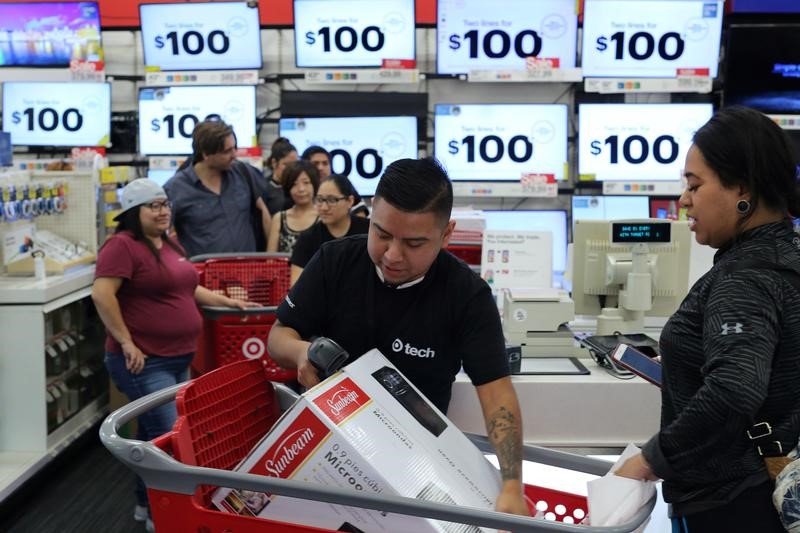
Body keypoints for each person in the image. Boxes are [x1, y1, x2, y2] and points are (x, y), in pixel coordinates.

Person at [268, 158, 530, 516]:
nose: (392, 255)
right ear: (372, 213)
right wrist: (302, 352)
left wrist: (512, 485)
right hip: (324, 452)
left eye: (413, 243)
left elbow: (497, 392)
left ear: (446, 234)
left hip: (417, 470)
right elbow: (279, 336)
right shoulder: (335, 261)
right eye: (382, 234)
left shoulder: (467, 296)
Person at [615, 106, 800, 532]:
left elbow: (734, 390)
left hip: (732, 502)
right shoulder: (786, 255)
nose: (683, 199)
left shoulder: (746, 279)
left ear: (742, 188)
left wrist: (650, 461)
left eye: (694, 185)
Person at [92, 179, 257, 529]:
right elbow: (102, 295)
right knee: (169, 440)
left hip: (178, 359)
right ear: (134, 212)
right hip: (145, 360)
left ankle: (144, 505)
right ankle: (160, 516)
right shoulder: (122, 246)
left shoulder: (168, 242)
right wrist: (126, 342)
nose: (163, 210)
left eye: (165, 204)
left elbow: (189, 286)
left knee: (157, 437)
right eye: (153, 205)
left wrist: (227, 302)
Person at [164, 120, 270, 257]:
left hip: (248, 272)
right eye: (226, 151)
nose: (234, 155)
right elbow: (163, 233)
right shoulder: (175, 189)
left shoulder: (244, 174)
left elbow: (265, 212)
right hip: (203, 275)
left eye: (234, 148)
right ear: (206, 154)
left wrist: (270, 254)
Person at [289, 174, 370, 285]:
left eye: (332, 200)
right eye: (320, 200)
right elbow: (296, 287)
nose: (324, 207)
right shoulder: (308, 238)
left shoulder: (368, 231)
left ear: (350, 201)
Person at [301, 145, 369, 217]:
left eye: (325, 163)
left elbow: (360, 214)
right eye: (315, 163)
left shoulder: (341, 183)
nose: (320, 168)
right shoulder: (300, 189)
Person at [267, 160, 320, 254]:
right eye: (294, 184)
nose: (301, 189)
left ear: (314, 184)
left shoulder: (324, 217)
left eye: (306, 183)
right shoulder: (279, 219)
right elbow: (270, 260)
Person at [263, 137, 298, 215]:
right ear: (274, 163)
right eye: (287, 164)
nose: (292, 169)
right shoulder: (263, 188)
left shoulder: (299, 187)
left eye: (295, 164)